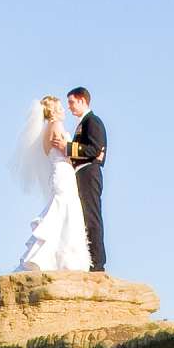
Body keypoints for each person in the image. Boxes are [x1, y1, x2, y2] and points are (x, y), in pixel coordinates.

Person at [12, 94, 91, 274]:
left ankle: (52, 258)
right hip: (64, 172)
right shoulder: (56, 126)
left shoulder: (46, 129)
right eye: (61, 108)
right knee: (65, 210)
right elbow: (65, 151)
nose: (65, 110)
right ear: (54, 111)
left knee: (61, 210)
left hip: (58, 172)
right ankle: (63, 260)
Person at [66, 88, 107, 273]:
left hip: (89, 173)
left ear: (83, 100)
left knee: (92, 217)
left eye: (72, 102)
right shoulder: (83, 123)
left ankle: (97, 263)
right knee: (84, 217)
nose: (70, 107)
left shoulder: (93, 121)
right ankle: (90, 259)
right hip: (82, 173)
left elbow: (95, 149)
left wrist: (68, 148)